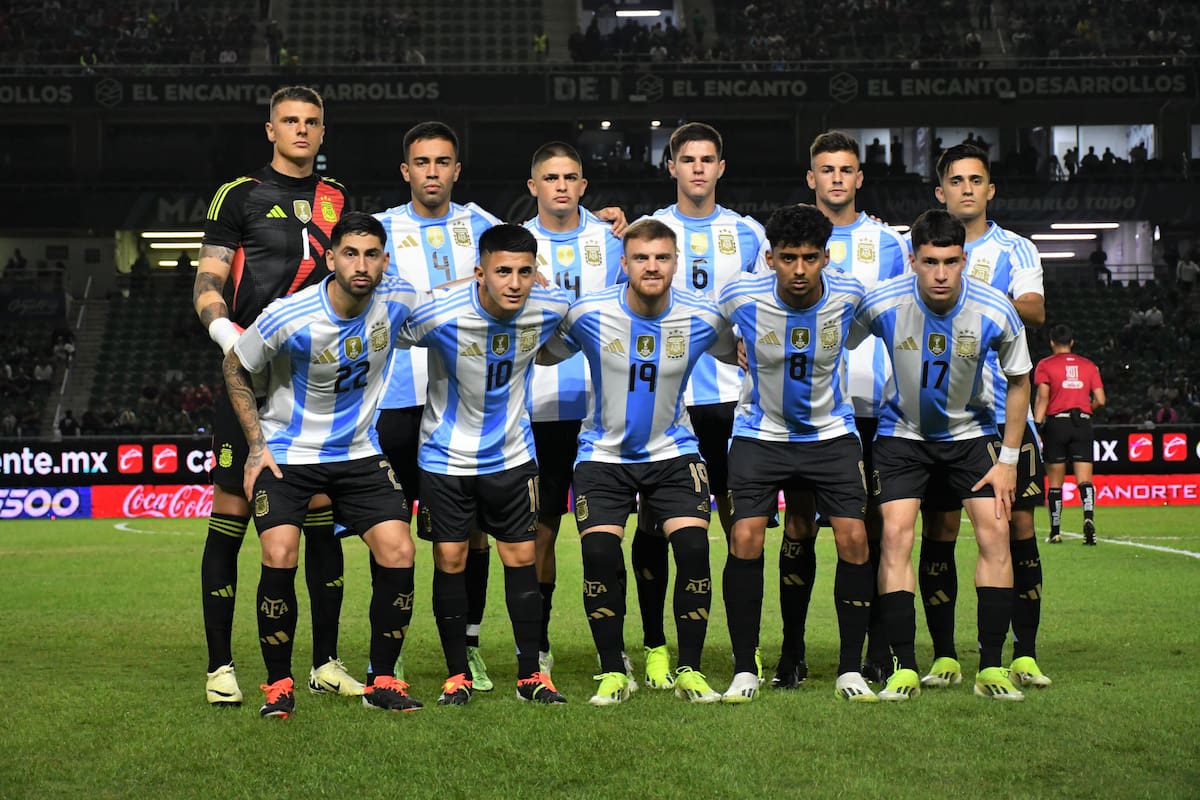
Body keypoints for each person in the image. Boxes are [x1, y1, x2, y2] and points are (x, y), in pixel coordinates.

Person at [193, 85, 357, 707]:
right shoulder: (239, 195)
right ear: (270, 130)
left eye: (311, 121)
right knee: (232, 516)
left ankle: (325, 662)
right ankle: (220, 666)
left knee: (320, 516)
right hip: (250, 379)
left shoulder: (337, 198)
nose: (301, 130)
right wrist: (225, 333)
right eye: (289, 120)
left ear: (323, 131)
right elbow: (208, 279)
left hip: (315, 383)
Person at [223, 211, 424, 718]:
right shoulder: (289, 315)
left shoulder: (399, 299)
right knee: (281, 552)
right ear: (331, 258)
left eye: (372, 255)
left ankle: (383, 680)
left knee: (400, 550)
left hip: (358, 452)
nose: (362, 265)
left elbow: (449, 303)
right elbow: (235, 364)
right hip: (290, 455)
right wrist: (255, 444)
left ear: (385, 261)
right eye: (351, 254)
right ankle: (278, 685)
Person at [539, 218, 738, 706]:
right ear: (624, 264)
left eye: (662, 257)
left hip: (673, 452)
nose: (652, 266)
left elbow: (741, 352)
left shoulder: (703, 317)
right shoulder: (587, 313)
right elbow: (544, 354)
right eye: (641, 258)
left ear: (676, 263)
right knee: (599, 555)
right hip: (603, 455)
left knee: (693, 549)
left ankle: (690, 670)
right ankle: (613, 671)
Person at [849, 208, 1033, 703]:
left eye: (951, 262)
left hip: (971, 436)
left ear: (964, 260)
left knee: (995, 534)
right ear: (912, 260)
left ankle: (990, 667)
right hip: (901, 437)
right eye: (930, 262)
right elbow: (836, 337)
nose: (940, 274)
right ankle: (905, 668)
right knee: (895, 538)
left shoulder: (995, 308)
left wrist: (1008, 460)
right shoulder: (883, 302)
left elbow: (1020, 381)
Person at [400, 223, 570, 706]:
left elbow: (571, 336)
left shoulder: (551, 306)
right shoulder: (440, 313)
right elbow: (392, 328)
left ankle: (530, 676)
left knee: (522, 558)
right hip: (445, 458)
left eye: (524, 272)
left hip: (512, 457)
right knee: (451, 560)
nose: (515, 283)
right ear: (480, 272)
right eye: (502, 272)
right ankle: (457, 675)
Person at [718, 203, 876, 704]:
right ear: (770, 259)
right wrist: (734, 348)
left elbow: (878, 325)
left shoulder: (850, 293)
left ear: (827, 257)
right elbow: (711, 330)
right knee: (745, 537)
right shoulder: (740, 295)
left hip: (830, 433)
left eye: (810, 257)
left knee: (854, 538)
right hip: (760, 433)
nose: (800, 269)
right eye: (788, 258)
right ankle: (745, 669)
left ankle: (850, 669)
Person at [635, 122, 768, 690]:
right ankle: (655, 646)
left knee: (743, 526)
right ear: (671, 166)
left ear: (720, 168)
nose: (697, 168)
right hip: (669, 402)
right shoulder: (649, 230)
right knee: (653, 524)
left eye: (706, 159)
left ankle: (744, 649)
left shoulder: (748, 233)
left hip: (735, 401)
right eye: (687, 159)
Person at [372, 121, 504, 691]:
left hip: (465, 401)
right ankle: (391, 650)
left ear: (456, 170)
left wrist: (608, 221)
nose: (432, 172)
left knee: (472, 535)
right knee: (390, 531)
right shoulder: (381, 229)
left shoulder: (482, 226)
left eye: (442, 161)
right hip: (396, 400)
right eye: (422, 162)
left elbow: (535, 258)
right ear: (406, 171)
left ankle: (468, 648)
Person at [918, 143, 1052, 692]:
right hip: (941, 418)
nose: (967, 189)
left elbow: (1035, 309)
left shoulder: (1015, 248)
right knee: (941, 527)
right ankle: (944, 654)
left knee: (1018, 526)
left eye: (976, 180)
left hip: (1004, 414)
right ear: (941, 191)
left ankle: (1025, 652)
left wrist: (973, 298)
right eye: (957, 180)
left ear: (990, 189)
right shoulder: (923, 245)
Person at [797, 130, 909, 688]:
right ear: (811, 178)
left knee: (871, 529)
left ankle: (875, 650)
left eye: (846, 169)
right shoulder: (791, 237)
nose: (837, 178)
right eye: (827, 169)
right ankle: (792, 651)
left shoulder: (888, 243)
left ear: (859, 178)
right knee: (798, 527)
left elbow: (905, 314)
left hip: (872, 405)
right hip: (807, 411)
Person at [521, 141, 624, 675]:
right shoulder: (516, 244)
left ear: (584, 186)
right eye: (550, 177)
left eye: (570, 178)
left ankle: (615, 646)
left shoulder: (612, 240)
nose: (561, 186)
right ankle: (538, 645)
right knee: (541, 528)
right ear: (533, 186)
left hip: (604, 411)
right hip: (537, 408)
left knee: (604, 533)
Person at [1034, 324, 1106, 545]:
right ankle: (1088, 518)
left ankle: (1055, 531)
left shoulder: (1045, 365)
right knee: (1085, 480)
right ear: (1072, 342)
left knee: (1055, 483)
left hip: (1057, 424)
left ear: (1052, 342)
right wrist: (1086, 411)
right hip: (1082, 423)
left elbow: (1043, 398)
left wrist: (1036, 426)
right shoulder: (1089, 366)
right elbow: (1101, 400)